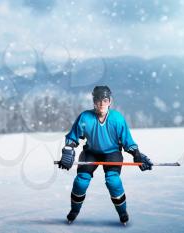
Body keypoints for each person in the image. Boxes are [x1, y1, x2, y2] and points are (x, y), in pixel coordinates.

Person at [58, 85, 153, 225]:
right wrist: (68, 150)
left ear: (110, 101)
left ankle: (122, 212)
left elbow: (127, 141)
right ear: (94, 101)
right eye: (98, 100)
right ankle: (74, 211)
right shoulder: (85, 117)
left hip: (112, 153)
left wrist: (136, 154)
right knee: (80, 181)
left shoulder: (117, 119)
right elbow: (72, 138)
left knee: (113, 181)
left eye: (105, 100)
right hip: (91, 152)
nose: (101, 103)